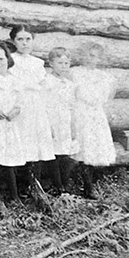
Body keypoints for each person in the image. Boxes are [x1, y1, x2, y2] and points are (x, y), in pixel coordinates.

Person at [8, 25, 55, 199]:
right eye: (20, 39)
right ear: (14, 41)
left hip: (36, 105)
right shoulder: (11, 60)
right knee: (21, 142)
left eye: (28, 39)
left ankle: (34, 184)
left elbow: (43, 86)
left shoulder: (37, 63)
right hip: (19, 105)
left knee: (37, 143)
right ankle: (20, 185)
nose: (24, 43)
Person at [70, 43, 117, 199]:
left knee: (95, 148)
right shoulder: (74, 73)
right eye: (88, 55)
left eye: (94, 56)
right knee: (84, 147)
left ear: (99, 59)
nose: (91, 59)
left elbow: (107, 97)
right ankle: (87, 186)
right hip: (80, 112)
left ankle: (93, 184)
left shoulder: (104, 76)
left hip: (96, 114)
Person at [0, 43, 27, 212]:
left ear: (7, 58)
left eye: (1, 58)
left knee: (9, 160)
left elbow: (21, 100)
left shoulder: (14, 79)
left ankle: (14, 196)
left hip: (10, 124)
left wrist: (16, 109)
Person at [41, 47, 78, 194]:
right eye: (60, 63)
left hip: (65, 120)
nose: (63, 66)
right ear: (51, 64)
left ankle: (65, 182)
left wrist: (73, 125)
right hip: (52, 120)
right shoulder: (46, 82)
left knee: (66, 154)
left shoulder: (70, 85)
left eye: (66, 63)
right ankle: (57, 186)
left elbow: (72, 106)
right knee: (54, 154)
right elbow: (43, 104)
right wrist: (48, 126)